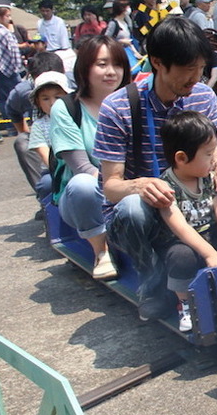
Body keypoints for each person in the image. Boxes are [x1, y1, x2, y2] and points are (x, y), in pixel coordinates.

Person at [97, 17, 217, 322]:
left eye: (200, 67)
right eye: (187, 68)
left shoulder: (202, 97)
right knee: (131, 207)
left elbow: (213, 155)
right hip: (146, 210)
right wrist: (139, 185)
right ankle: (153, 282)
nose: (196, 77)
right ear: (158, 62)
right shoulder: (119, 107)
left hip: (192, 201)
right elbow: (111, 186)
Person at [153, 111, 217, 332]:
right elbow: (180, 227)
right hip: (184, 243)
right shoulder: (166, 186)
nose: (214, 160)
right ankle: (185, 304)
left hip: (210, 233)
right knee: (180, 257)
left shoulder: (208, 178)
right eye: (209, 155)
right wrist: (210, 254)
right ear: (181, 158)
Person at [51, 35, 129, 279]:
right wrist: (121, 187)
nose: (111, 72)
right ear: (85, 67)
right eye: (102, 64)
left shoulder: (133, 102)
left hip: (125, 185)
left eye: (117, 64)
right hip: (86, 197)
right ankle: (101, 251)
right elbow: (81, 167)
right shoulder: (66, 108)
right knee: (84, 185)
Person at [8, 51, 68, 196]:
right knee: (22, 142)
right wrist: (28, 132)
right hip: (45, 137)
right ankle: (45, 199)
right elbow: (11, 109)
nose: (52, 102)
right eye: (45, 98)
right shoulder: (22, 91)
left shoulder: (74, 83)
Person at [28, 71, 71, 202]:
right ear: (38, 102)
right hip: (55, 170)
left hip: (83, 164)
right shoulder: (39, 126)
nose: (52, 103)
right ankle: (50, 213)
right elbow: (46, 157)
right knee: (46, 184)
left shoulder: (76, 116)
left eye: (58, 97)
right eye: (45, 98)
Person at [0, 7, 25, 127]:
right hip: (7, 67)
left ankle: (9, 124)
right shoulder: (2, 31)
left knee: (3, 97)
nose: (9, 19)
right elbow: (13, 51)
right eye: (7, 16)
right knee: (16, 95)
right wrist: (18, 66)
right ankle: (17, 123)